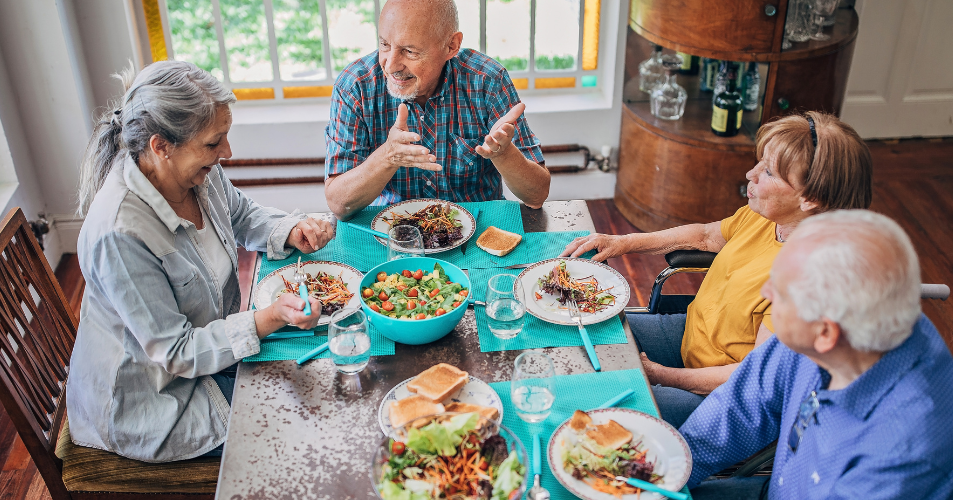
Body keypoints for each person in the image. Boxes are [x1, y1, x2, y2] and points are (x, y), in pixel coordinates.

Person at [68, 61, 333, 462]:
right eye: (214, 143)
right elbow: (177, 352)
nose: (226, 152)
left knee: (321, 380)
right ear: (161, 147)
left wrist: (290, 230)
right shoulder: (119, 234)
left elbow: (240, 214)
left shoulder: (195, 173)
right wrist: (272, 316)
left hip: (212, 358)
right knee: (305, 431)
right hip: (157, 402)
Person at [560, 111, 873, 427]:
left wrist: (661, 376)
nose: (750, 174)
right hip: (690, 336)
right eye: (759, 162)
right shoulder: (768, 217)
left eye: (768, 173)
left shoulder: (810, 283)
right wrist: (623, 243)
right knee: (579, 326)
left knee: (597, 405)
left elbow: (751, 377)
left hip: (721, 395)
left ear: (810, 198)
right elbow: (705, 235)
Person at [681, 210, 953, 499]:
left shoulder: (908, 450)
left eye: (782, 291)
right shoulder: (841, 324)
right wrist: (665, 472)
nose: (766, 294)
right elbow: (740, 407)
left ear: (826, 334)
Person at [323, 0, 551, 219]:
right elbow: (339, 205)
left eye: (410, 51)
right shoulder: (354, 86)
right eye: (385, 44)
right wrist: (387, 157)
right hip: (389, 236)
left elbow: (537, 195)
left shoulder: (488, 80)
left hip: (479, 235)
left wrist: (504, 154)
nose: (391, 65)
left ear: (451, 46)